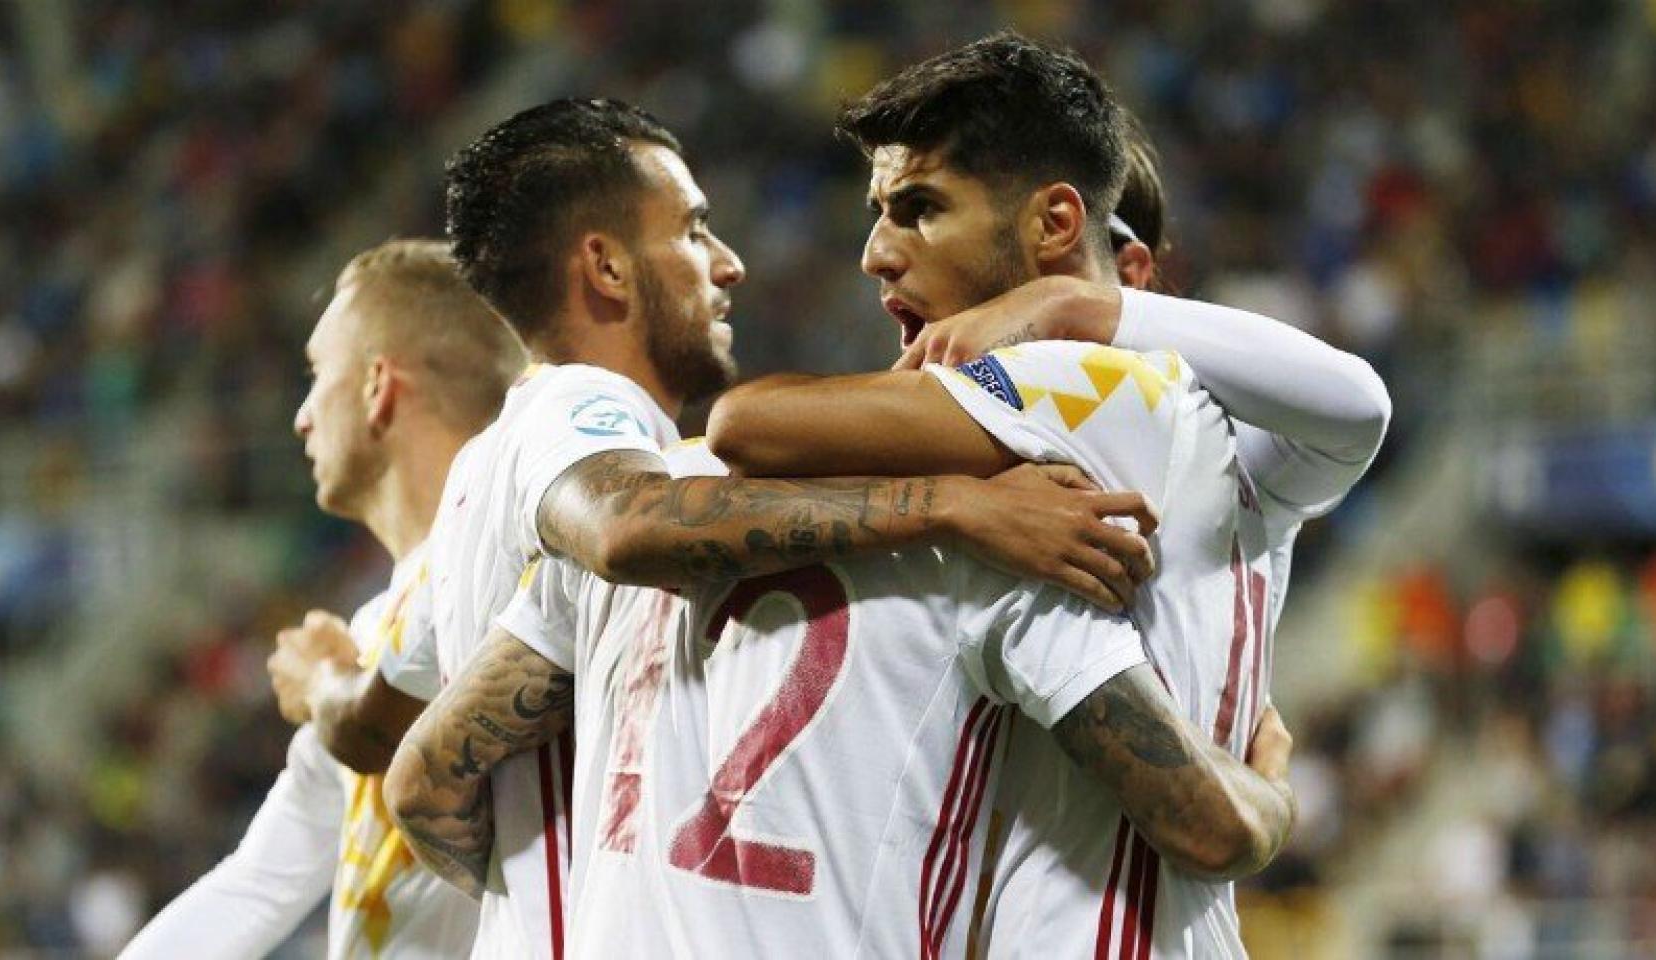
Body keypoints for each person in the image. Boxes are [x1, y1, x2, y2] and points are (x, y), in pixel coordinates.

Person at [390, 93, 1296, 958]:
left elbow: (424, 782)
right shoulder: (1007, 531)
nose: (878, 257)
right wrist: (1273, 791)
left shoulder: (675, 484)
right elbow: (1207, 826)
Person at [708, 32, 1391, 957]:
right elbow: (1350, 411)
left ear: (1062, 230)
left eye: (917, 210)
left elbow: (747, 427)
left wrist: (1070, 310)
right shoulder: (1219, 459)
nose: (875, 254)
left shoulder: (1090, 382)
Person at [121, 240, 524, 959]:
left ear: (379, 386)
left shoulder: (509, 567)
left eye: (317, 375)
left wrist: (324, 684)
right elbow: (257, 885)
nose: (302, 417)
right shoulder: (374, 628)